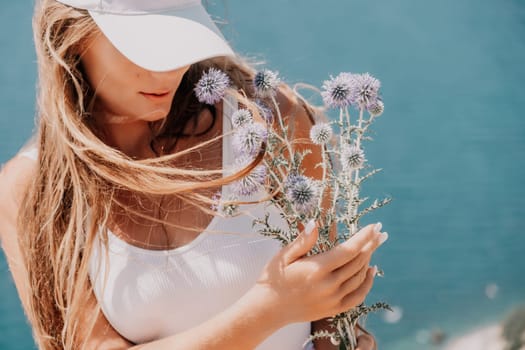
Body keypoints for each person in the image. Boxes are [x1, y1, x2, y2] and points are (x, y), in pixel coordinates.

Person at [0, 0, 387, 349]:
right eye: (145, 44)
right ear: (71, 36)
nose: (169, 67)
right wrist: (271, 309)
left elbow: (335, 319)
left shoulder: (271, 120)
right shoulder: (32, 190)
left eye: (179, 38)